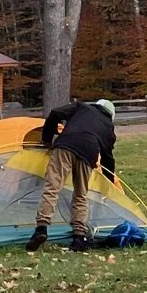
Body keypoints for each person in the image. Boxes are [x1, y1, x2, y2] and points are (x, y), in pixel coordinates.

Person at [26, 100, 116, 252]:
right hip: (89, 153)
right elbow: (108, 157)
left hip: (66, 145)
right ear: (111, 115)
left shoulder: (81, 107)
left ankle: (41, 229)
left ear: (97, 104)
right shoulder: (108, 127)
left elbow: (55, 113)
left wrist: (47, 139)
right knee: (81, 195)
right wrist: (109, 183)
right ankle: (79, 237)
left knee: (52, 188)